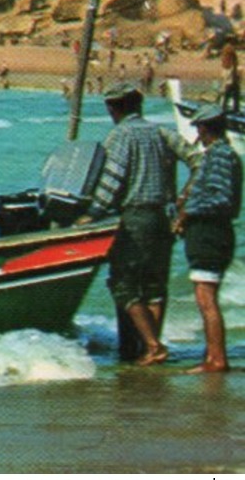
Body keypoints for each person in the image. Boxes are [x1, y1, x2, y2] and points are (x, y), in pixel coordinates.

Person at [85, 83, 183, 365]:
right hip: (162, 217)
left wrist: (91, 214)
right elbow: (198, 159)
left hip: (135, 218)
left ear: (114, 109)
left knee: (123, 285)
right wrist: (184, 201)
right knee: (154, 286)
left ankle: (151, 346)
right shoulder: (160, 132)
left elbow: (111, 182)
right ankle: (146, 349)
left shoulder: (120, 136)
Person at [173, 107, 241, 373]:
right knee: (206, 297)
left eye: (198, 129)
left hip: (210, 232)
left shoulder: (221, 155)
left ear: (204, 128)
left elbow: (221, 198)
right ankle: (213, 356)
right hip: (211, 232)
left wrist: (188, 211)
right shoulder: (221, 153)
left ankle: (216, 359)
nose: (197, 135)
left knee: (206, 298)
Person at [221, 35, 240, 113]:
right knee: (231, 88)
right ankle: (230, 108)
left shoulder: (225, 48)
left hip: (227, 70)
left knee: (232, 88)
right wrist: (234, 73)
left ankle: (226, 106)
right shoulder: (230, 48)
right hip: (230, 70)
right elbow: (233, 62)